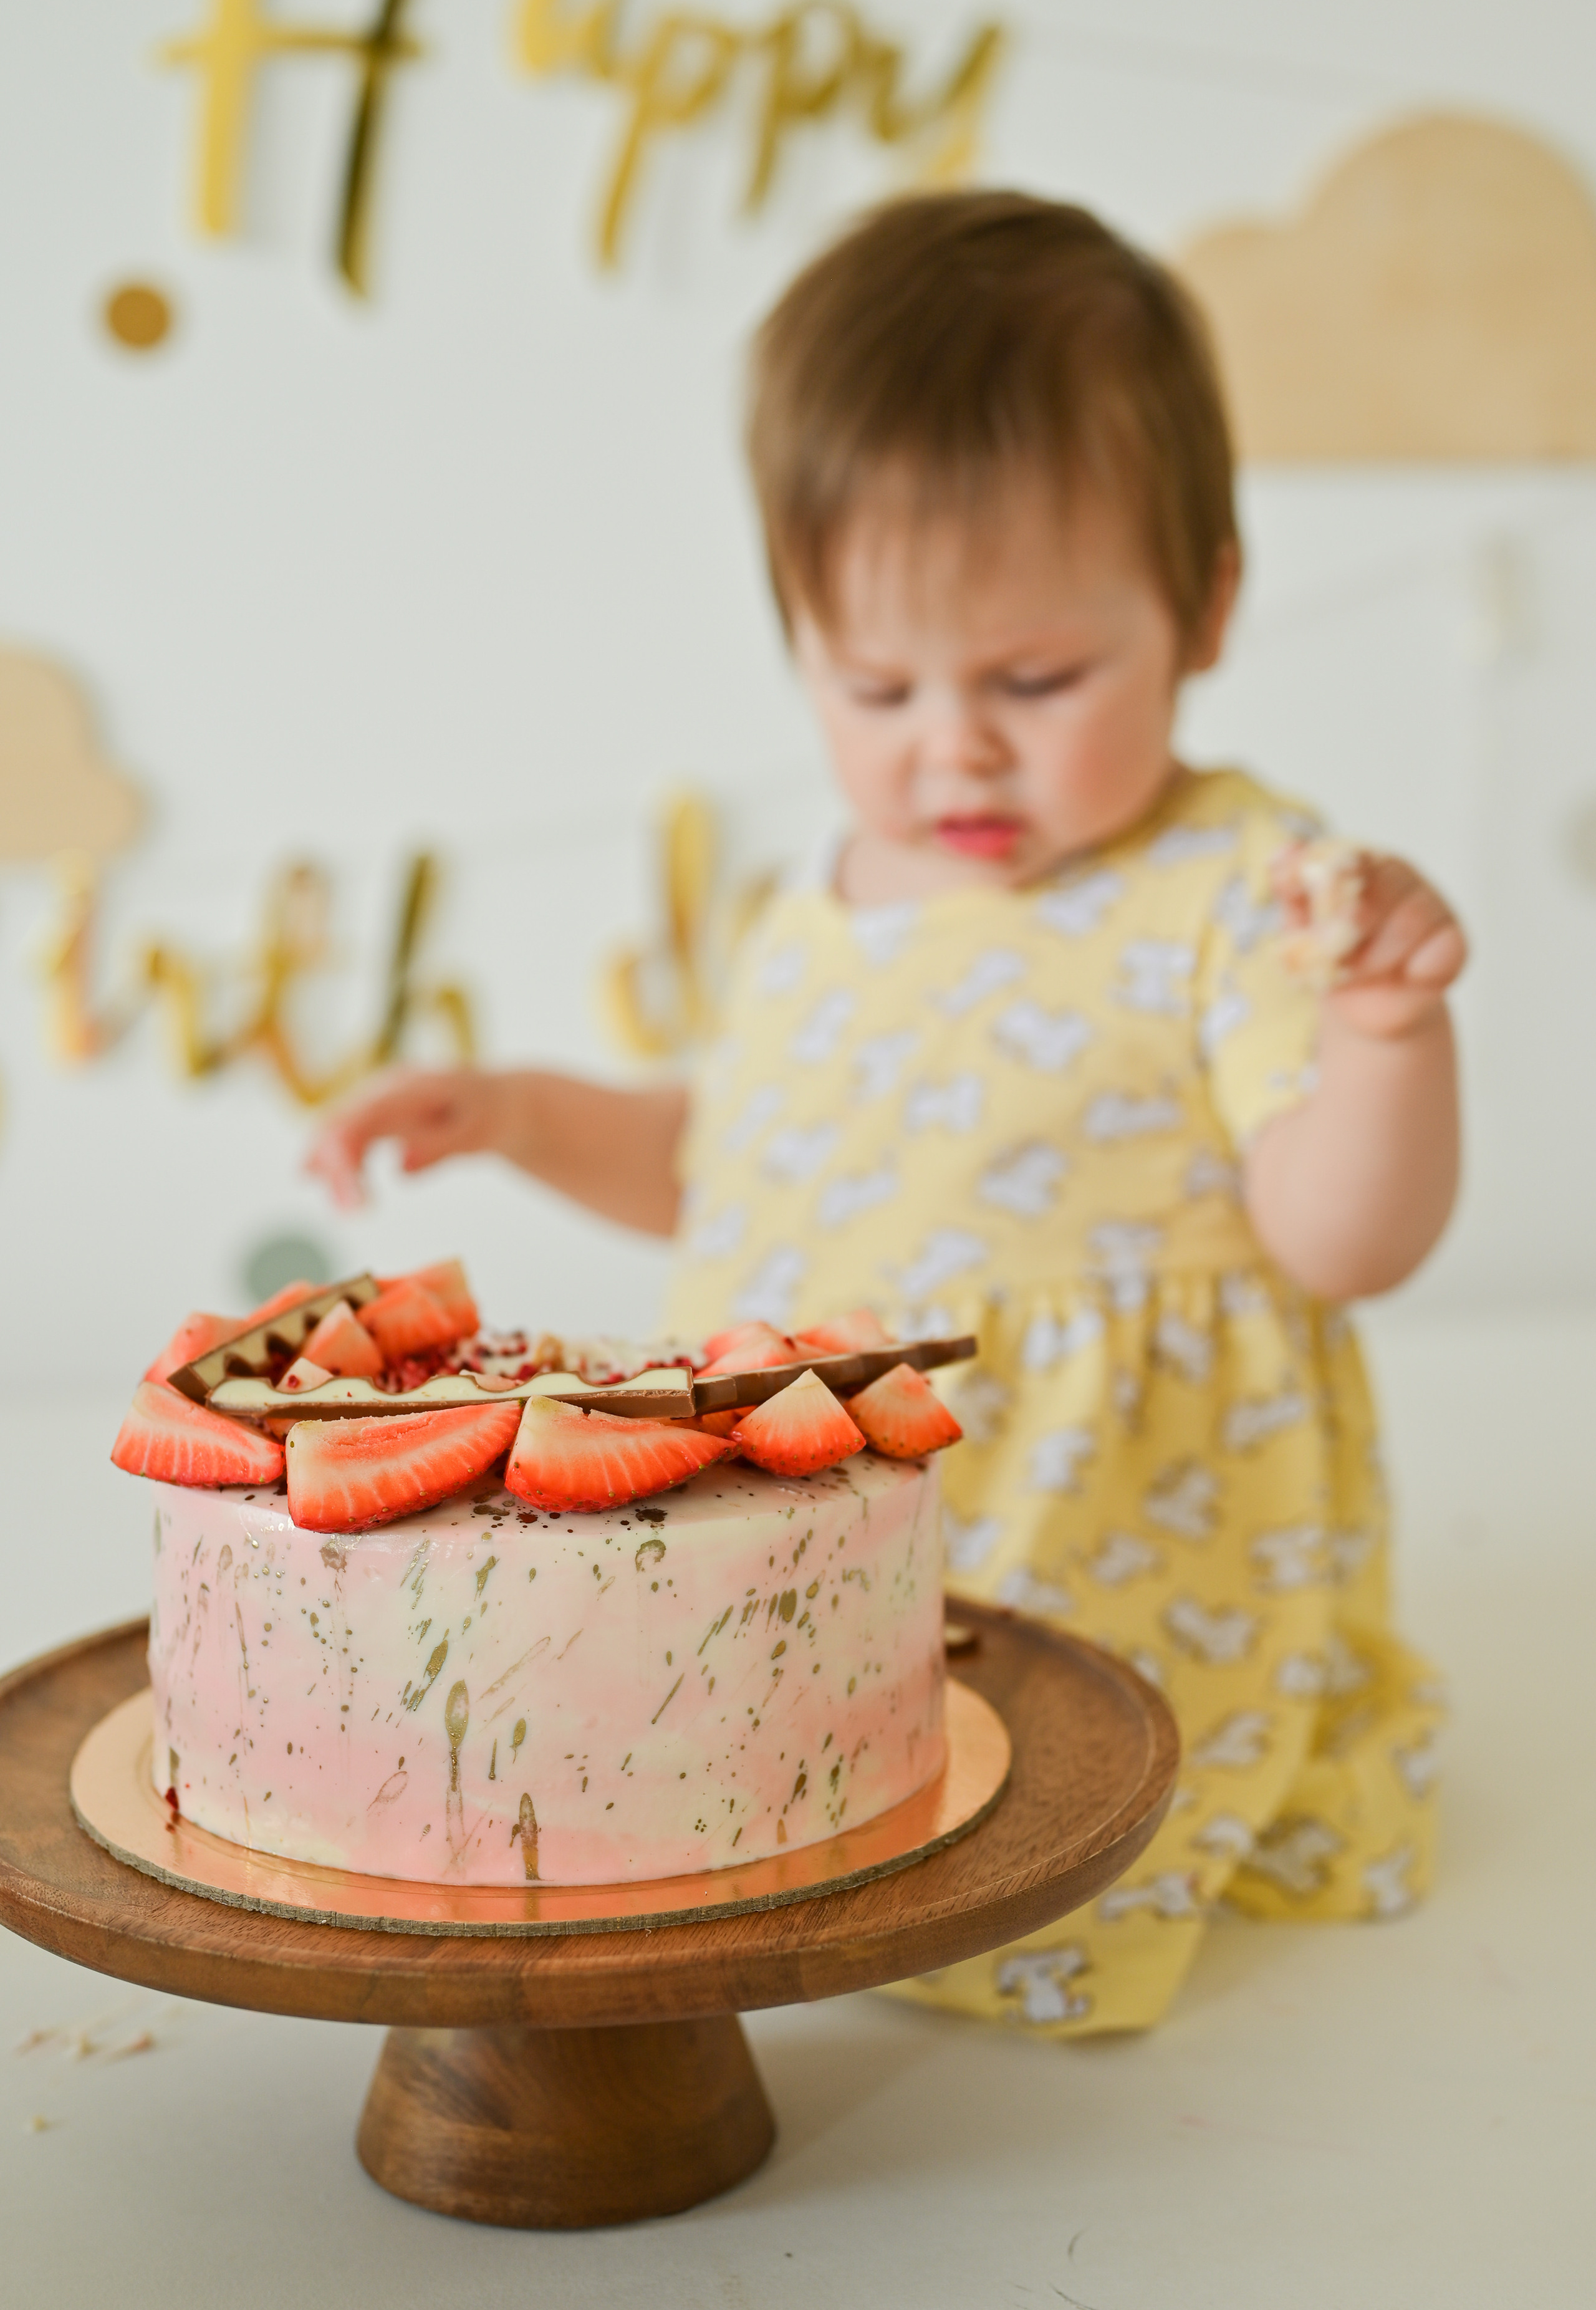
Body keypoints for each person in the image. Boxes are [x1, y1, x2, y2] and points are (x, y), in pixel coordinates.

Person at [307, 192, 1465, 2034]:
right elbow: (738, 1155)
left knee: (1027, 1813)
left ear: (1210, 605)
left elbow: (1345, 1232)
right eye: (876, 685)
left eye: (1037, 679)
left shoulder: (1238, 888)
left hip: (1105, 1544)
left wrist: (1388, 1030)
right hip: (815, 1554)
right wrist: (522, 1108)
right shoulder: (828, 888)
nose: (956, 748)